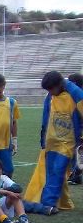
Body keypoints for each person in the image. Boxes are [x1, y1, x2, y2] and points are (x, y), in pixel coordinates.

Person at [24, 71, 83, 210]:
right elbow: (46, 115)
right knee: (52, 170)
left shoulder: (77, 95)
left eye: (51, 89)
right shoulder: (51, 95)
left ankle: (48, 203)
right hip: (52, 141)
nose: (50, 92)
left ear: (59, 84)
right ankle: (61, 202)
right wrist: (43, 138)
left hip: (68, 142)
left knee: (58, 169)